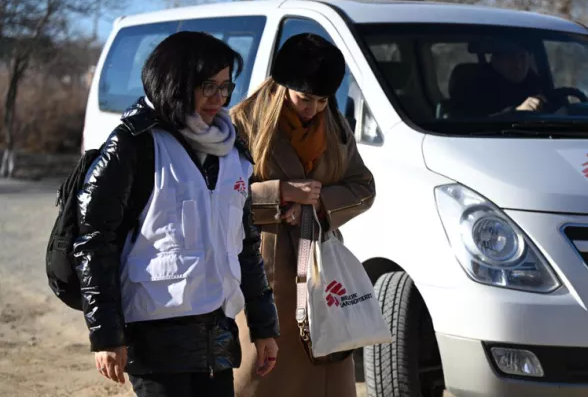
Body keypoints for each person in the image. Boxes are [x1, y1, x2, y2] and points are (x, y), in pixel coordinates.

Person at [73, 31, 280, 397]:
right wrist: (105, 334)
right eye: (207, 86)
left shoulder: (232, 151)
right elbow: (94, 241)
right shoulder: (134, 144)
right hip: (154, 336)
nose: (219, 99)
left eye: (225, 87)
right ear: (176, 83)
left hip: (217, 332)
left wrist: (264, 326)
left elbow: (245, 244)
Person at [230, 33, 375, 397]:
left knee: (326, 359)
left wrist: (319, 202)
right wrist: (279, 193)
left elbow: (364, 187)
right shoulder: (242, 124)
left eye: (323, 100)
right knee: (264, 370)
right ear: (281, 86)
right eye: (304, 98)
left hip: (321, 266)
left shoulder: (336, 127)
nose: (313, 109)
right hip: (264, 264)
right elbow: (217, 196)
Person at [450, 41, 547, 117]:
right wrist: (516, 113)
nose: (518, 64)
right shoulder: (475, 87)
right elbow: (472, 124)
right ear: (495, 61)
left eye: (522, 57)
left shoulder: (534, 83)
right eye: (510, 57)